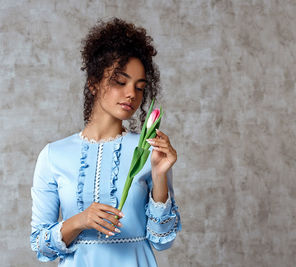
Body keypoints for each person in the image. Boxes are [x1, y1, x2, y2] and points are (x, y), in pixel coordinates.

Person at [29, 17, 182, 266]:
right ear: (93, 83)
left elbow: (162, 240)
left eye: (139, 87)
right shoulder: (53, 155)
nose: (131, 93)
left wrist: (159, 175)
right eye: (120, 82)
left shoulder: (148, 151)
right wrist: (80, 220)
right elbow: (41, 246)